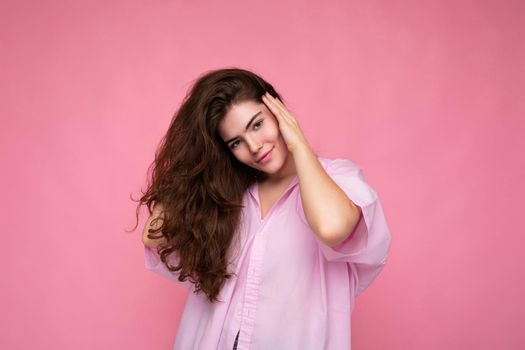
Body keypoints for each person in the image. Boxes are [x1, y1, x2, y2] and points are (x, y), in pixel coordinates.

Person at [136, 67, 392, 349]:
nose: (255, 146)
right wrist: (197, 166)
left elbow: (332, 228)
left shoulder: (340, 179)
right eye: (236, 142)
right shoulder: (231, 195)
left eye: (257, 124)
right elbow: (155, 235)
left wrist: (299, 144)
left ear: (278, 110)